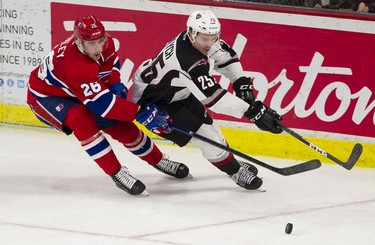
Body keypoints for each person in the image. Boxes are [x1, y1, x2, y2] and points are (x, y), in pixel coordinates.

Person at [27, 15, 190, 196]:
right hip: (45, 96)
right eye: (91, 44)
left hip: (75, 89)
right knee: (81, 118)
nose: (98, 48)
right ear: (79, 42)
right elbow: (103, 106)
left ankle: (159, 160)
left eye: (100, 41)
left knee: (120, 124)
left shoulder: (107, 43)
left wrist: (114, 82)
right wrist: (140, 112)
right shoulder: (76, 65)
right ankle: (117, 173)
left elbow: (112, 63)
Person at [132, 10, 283, 191]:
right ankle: (235, 171)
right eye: (205, 39)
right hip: (154, 103)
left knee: (212, 130)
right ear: (191, 33)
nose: (209, 43)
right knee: (207, 138)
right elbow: (215, 100)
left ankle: (228, 160)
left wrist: (242, 83)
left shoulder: (197, 39)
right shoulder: (187, 60)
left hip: (178, 92)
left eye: (213, 37)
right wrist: (253, 113)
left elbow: (225, 58)